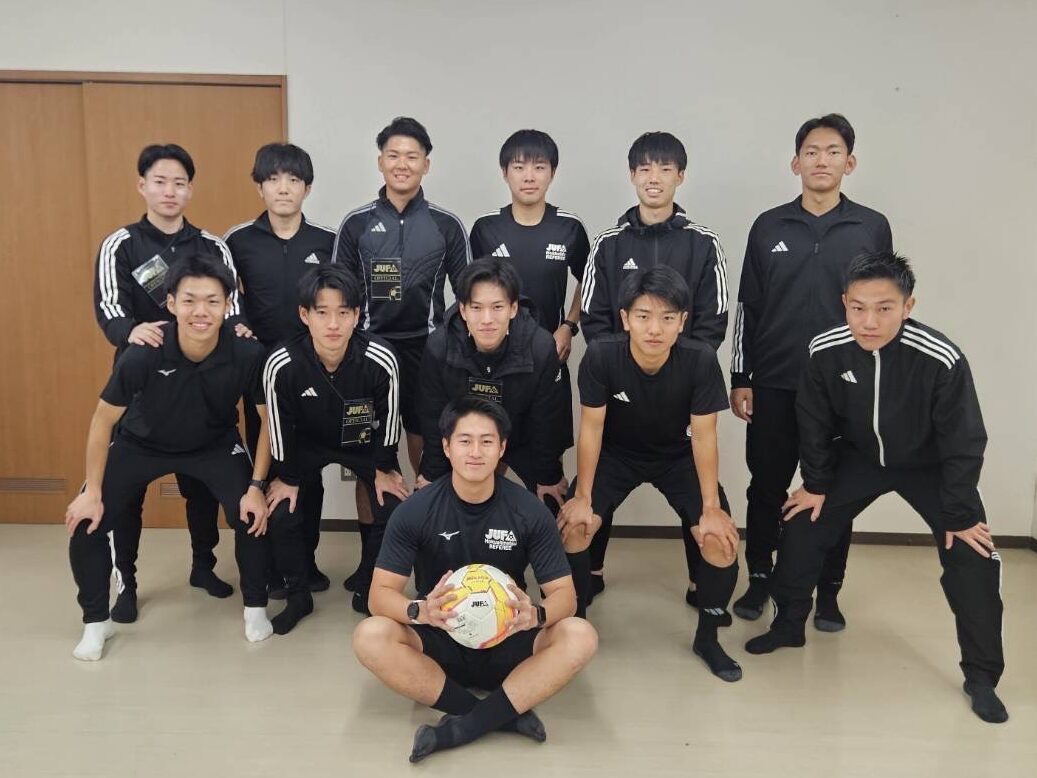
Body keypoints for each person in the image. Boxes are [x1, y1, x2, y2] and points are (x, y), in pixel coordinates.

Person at [745, 251, 1007, 724]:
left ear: (908, 306)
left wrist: (960, 513)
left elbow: (964, 440)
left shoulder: (941, 358)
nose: (869, 321)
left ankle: (981, 676)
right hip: (860, 458)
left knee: (973, 556)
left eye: (884, 308)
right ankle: (788, 626)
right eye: (858, 307)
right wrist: (816, 483)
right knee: (802, 524)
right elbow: (813, 419)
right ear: (844, 303)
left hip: (928, 465)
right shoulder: (824, 349)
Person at [352, 397, 598, 762]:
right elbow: (379, 596)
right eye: (465, 441)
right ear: (446, 447)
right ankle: (495, 715)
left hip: (510, 635)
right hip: (440, 636)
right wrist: (420, 611)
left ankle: (463, 727)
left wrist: (537, 615)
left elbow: (565, 595)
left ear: (502, 448)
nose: (475, 452)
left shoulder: (529, 510)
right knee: (369, 635)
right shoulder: (415, 511)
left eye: (487, 441)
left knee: (581, 635)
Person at [729, 114, 894, 628]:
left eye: (833, 151)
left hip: (843, 386)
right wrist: (741, 377)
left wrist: (878, 377)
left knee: (835, 491)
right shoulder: (769, 226)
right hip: (775, 383)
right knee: (766, 486)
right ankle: (760, 578)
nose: (822, 160)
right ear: (795, 162)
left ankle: (828, 590)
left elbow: (883, 309)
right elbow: (748, 307)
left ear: (850, 162)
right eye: (812, 152)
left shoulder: (870, 227)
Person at [66, 254, 273, 661]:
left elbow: (268, 423)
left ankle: (255, 609)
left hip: (213, 444)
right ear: (172, 303)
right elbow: (102, 422)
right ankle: (96, 622)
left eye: (213, 301)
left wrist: (256, 486)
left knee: (252, 515)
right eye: (190, 300)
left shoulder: (248, 353)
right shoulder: (144, 352)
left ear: (227, 305)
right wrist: (92, 491)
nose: (201, 311)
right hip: (141, 443)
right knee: (86, 522)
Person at [560, 266, 742, 681]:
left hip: (678, 457)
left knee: (718, 539)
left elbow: (704, 436)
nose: (654, 329)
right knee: (575, 527)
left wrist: (711, 507)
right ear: (625, 319)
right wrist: (582, 496)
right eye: (643, 316)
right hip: (617, 455)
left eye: (667, 317)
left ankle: (708, 639)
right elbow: (592, 428)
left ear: (682, 321)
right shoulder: (602, 355)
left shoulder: (699, 360)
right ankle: (575, 623)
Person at [91, 143, 248, 621]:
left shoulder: (212, 246)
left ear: (190, 190)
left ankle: (203, 567)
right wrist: (131, 332)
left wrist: (237, 331)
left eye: (179, 183)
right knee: (127, 497)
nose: (169, 191)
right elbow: (110, 308)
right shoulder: (122, 244)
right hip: (146, 385)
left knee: (201, 486)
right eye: (159, 182)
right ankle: (126, 583)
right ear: (142, 186)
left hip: (205, 383)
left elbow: (232, 307)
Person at [578, 131, 729, 589]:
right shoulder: (608, 243)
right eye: (644, 169)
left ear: (680, 176)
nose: (654, 178)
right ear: (632, 176)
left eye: (665, 169)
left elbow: (713, 320)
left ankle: (702, 584)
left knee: (703, 501)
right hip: (620, 391)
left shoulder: (703, 243)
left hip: (680, 394)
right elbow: (593, 316)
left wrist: (676, 367)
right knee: (588, 500)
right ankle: (590, 575)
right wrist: (626, 364)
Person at [332, 117, 470, 583]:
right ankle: (371, 564)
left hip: (426, 355)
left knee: (428, 455)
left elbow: (467, 296)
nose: (402, 164)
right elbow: (337, 295)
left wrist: (448, 345)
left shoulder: (446, 225)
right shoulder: (356, 224)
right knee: (370, 457)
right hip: (368, 352)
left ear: (426, 165)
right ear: (380, 162)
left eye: (412, 156)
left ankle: (433, 557)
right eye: (393, 155)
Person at [262, 265, 408, 623]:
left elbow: (391, 420)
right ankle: (298, 594)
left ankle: (369, 586)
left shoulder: (381, 358)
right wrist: (287, 477)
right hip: (307, 445)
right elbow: (278, 427)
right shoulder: (281, 363)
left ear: (356, 315)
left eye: (343, 313)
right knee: (282, 509)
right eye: (322, 312)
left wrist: (384, 467)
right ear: (304, 315)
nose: (333, 324)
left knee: (391, 505)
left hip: (363, 444)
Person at [225, 142, 337, 595]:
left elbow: (340, 299)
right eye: (273, 179)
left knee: (309, 467)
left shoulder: (327, 241)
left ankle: (305, 562)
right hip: (260, 374)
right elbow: (227, 297)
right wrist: (237, 325)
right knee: (265, 463)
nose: (283, 188)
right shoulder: (237, 240)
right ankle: (269, 564)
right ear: (260, 187)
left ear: (307, 188)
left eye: (293, 180)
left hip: (312, 369)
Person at [416, 257, 570, 515]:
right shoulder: (439, 346)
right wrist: (431, 473)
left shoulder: (541, 347)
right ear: (463, 310)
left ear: (513, 308)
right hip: (467, 439)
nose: (487, 319)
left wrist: (548, 475)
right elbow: (433, 416)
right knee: (429, 505)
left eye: (497, 307)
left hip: (522, 438)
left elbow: (547, 420)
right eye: (476, 308)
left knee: (553, 504)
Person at [469, 128, 590, 358]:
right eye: (519, 167)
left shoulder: (569, 227)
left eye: (539, 167)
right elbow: (468, 291)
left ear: (552, 173)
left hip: (549, 351)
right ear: (505, 172)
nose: (529, 177)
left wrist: (569, 325)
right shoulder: (485, 228)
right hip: (494, 352)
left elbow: (589, 279)